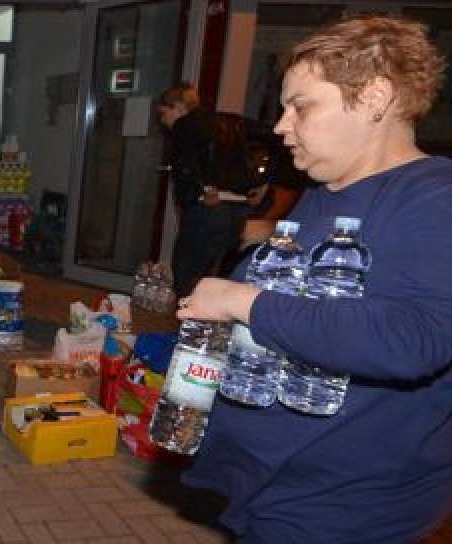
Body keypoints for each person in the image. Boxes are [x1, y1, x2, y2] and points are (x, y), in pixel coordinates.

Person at [176, 15, 452, 541]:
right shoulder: (325, 195)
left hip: (345, 506)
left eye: (301, 107)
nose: (281, 126)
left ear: (374, 98)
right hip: (275, 485)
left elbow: (411, 338)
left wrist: (242, 301)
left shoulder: (436, 198)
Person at [158, 83, 267, 297]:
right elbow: (274, 138)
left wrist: (204, 189)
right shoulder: (231, 121)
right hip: (239, 208)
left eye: (163, 113)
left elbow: (188, 164)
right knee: (217, 274)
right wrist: (263, 182)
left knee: (187, 274)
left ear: (178, 107)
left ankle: (187, 316)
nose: (163, 121)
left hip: (208, 208)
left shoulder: (184, 125)